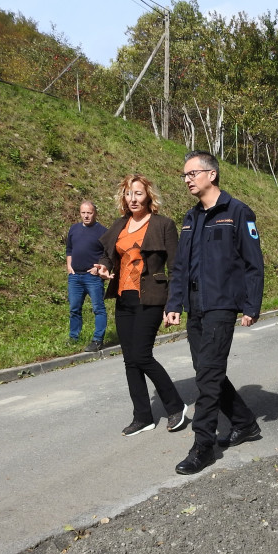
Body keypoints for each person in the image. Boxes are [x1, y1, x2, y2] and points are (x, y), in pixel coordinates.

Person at [164, 151, 264, 475]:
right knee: (208, 371)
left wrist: (251, 306)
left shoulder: (237, 213)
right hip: (196, 307)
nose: (187, 179)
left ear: (211, 174)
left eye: (192, 173)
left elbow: (254, 264)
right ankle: (246, 423)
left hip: (223, 306)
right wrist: (173, 303)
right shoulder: (191, 218)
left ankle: (202, 446)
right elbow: (180, 266)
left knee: (206, 376)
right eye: (185, 175)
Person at [91, 175, 188, 437]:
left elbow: (176, 267)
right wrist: (104, 267)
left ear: (149, 196)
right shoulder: (120, 225)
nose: (133, 199)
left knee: (142, 355)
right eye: (128, 194)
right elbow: (108, 255)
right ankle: (142, 416)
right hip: (124, 298)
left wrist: (174, 304)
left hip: (152, 298)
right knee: (130, 361)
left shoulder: (163, 225)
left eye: (138, 193)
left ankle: (175, 405)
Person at [65, 200, 108, 352]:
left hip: (93, 277)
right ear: (80, 213)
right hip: (75, 277)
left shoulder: (102, 231)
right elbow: (69, 249)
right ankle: (73, 337)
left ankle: (98, 339)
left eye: (89, 213)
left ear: (95, 213)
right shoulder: (74, 229)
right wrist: (69, 266)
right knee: (74, 308)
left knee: (98, 308)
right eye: (83, 213)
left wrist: (99, 268)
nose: (86, 216)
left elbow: (108, 254)